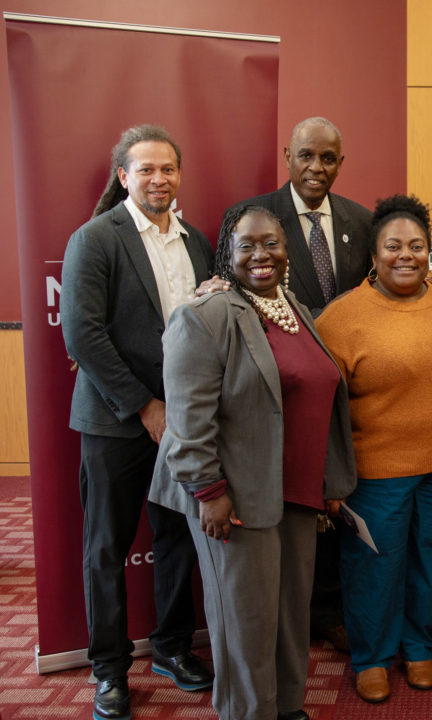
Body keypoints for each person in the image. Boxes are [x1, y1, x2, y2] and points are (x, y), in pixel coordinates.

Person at [149, 205, 356, 720]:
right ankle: (247, 713)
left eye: (272, 243)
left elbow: (318, 397)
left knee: (288, 614)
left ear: (288, 251)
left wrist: (329, 480)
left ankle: (285, 707)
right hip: (235, 498)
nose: (261, 255)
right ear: (228, 253)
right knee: (246, 622)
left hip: (296, 493)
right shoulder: (206, 315)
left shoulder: (298, 310)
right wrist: (208, 492)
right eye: (247, 245)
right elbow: (188, 418)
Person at [61, 125, 214, 720]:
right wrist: (145, 407)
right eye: (145, 169)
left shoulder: (197, 242)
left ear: (180, 175)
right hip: (115, 422)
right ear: (123, 176)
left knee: (177, 538)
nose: (159, 179)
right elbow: (84, 336)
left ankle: (173, 649)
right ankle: (110, 671)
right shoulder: (95, 238)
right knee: (107, 547)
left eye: (168, 169)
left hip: (187, 423)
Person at [315, 195, 432, 704]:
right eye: (393, 246)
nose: (405, 255)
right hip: (376, 472)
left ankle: (419, 647)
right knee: (374, 567)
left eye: (416, 246)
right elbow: (323, 412)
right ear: (374, 253)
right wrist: (330, 481)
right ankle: (373, 658)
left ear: (429, 251)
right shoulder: (341, 319)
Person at [221, 117, 373, 654]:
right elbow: (228, 287)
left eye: (328, 158)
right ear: (288, 154)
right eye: (306, 156)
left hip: (332, 390)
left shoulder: (362, 219)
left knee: (322, 507)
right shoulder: (252, 218)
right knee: (274, 515)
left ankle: (324, 611)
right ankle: (280, 625)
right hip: (270, 392)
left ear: (340, 162)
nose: (316, 168)